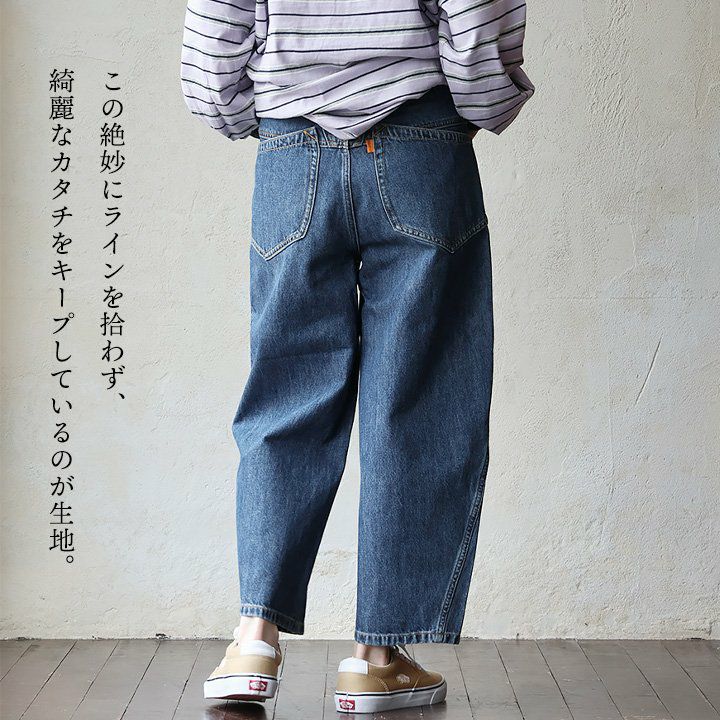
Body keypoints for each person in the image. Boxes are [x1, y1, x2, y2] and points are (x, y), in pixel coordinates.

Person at [180, 0, 533, 713]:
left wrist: (266, 116)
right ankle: (377, 658)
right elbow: (477, 22)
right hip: (420, 143)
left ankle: (254, 640)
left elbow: (212, 51)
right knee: (420, 400)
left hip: (291, 152)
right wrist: (479, 104)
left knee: (285, 396)